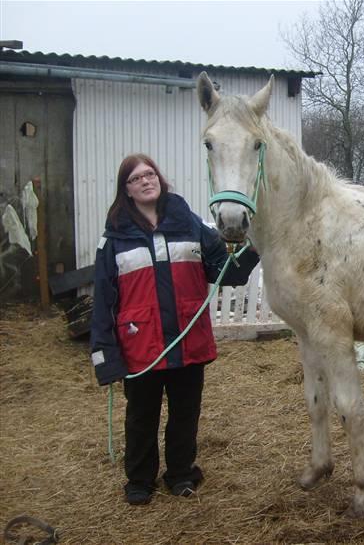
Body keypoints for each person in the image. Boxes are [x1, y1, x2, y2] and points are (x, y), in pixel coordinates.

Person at [90, 153, 259, 505]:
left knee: (185, 413)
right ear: (127, 190)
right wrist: (106, 358)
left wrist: (256, 245)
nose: (146, 180)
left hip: (187, 341)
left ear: (160, 179)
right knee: (141, 417)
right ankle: (139, 481)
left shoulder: (190, 224)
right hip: (142, 346)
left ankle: (181, 473)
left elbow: (225, 271)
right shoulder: (114, 239)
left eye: (150, 174)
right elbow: (104, 302)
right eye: (136, 178)